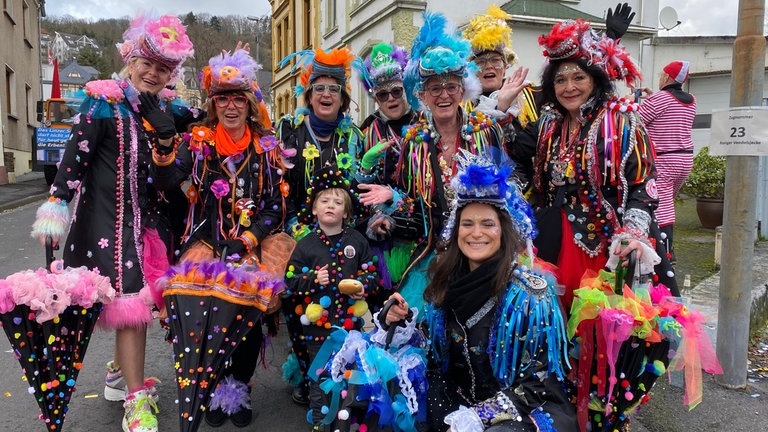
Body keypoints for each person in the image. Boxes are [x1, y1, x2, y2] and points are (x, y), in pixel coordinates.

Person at [30, 14, 195, 432]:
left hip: (150, 225)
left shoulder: (167, 110)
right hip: (107, 222)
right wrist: (56, 206)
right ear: (130, 59)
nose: (154, 73)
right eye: (147, 63)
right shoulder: (103, 101)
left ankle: (120, 376)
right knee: (131, 305)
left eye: (163, 68)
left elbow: (186, 148)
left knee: (136, 303)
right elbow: (75, 158)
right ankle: (135, 403)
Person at [382, 151, 577, 431]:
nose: (476, 233)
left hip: (523, 414)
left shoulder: (531, 297)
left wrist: (479, 416)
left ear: (504, 232)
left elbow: (539, 384)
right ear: (456, 230)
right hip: (459, 403)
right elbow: (436, 352)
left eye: (488, 224)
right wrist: (401, 324)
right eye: (468, 224)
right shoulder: (445, 281)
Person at [151, 48, 286, 428]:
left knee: (245, 319)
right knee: (205, 320)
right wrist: (164, 150)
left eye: (237, 99)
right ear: (213, 104)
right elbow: (165, 181)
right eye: (222, 98)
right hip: (205, 243)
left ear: (249, 104)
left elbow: (276, 206)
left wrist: (248, 238)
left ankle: (238, 389)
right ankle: (211, 388)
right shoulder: (198, 144)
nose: (230, 106)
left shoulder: (265, 147)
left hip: (251, 245)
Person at [515, 18, 678, 314]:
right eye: (560, 80)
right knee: (557, 326)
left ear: (595, 79)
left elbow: (643, 182)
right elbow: (512, 152)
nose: (569, 87)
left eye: (578, 77)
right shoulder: (549, 125)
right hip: (555, 243)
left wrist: (631, 232)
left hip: (610, 245)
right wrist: (499, 108)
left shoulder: (620, 121)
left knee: (605, 331)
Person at [389, 11, 509, 315]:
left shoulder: (486, 130)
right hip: (434, 255)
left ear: (463, 90)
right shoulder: (414, 143)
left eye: (451, 86)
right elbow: (409, 203)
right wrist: (391, 202)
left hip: (484, 254)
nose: (444, 95)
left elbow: (508, 193)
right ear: (423, 95)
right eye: (435, 88)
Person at [274, 46, 366, 406]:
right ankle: (307, 372)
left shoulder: (353, 136)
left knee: (341, 308)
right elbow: (277, 182)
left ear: (343, 98)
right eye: (319, 88)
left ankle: (339, 374)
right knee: (301, 307)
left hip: (343, 232)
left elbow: (358, 185)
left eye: (333, 89)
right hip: (299, 232)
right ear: (308, 94)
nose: (326, 94)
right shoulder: (289, 130)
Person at [465, 3, 636, 188]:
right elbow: (511, 150)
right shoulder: (461, 107)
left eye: (495, 60)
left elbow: (586, 85)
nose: (489, 67)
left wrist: (608, 41)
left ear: (506, 64)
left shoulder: (537, 96)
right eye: (481, 62)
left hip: (537, 197)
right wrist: (501, 111)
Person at [283, 167, 378, 431]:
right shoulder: (305, 244)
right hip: (318, 331)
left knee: (351, 379)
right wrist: (313, 279)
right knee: (320, 378)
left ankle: (347, 423)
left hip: (351, 329)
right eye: (324, 201)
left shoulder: (357, 241)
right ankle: (322, 424)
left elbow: (372, 274)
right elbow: (288, 282)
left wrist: (363, 287)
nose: (330, 206)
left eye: (338, 202)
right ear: (314, 209)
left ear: (346, 213)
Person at [353, 42, 419, 299]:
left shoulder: (423, 124)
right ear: (375, 98)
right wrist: (366, 167)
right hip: (382, 236)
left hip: (420, 232)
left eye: (396, 91)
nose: (390, 98)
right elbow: (358, 188)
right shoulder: (366, 131)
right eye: (383, 94)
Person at [636, 60, 696, 263]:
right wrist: (653, 97)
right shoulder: (691, 100)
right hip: (685, 158)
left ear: (668, 78)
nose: (660, 77)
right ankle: (664, 247)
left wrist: (632, 101)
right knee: (667, 200)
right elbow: (668, 110)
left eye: (662, 74)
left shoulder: (660, 99)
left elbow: (636, 120)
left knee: (661, 205)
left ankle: (666, 252)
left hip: (664, 159)